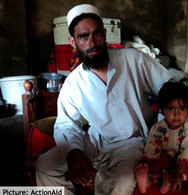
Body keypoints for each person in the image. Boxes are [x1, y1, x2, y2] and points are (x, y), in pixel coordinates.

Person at [35, 4, 174, 195]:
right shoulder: (74, 83)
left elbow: (170, 88)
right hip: (96, 142)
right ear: (73, 42)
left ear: (105, 33)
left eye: (96, 34)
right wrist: (74, 152)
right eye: (83, 37)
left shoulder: (132, 59)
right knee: (46, 165)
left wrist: (161, 129)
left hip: (133, 142)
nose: (92, 42)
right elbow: (67, 124)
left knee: (122, 180)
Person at [135, 82, 188, 194]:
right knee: (156, 164)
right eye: (171, 109)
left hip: (186, 163)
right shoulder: (157, 128)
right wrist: (151, 168)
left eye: (182, 109)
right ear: (162, 109)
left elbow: (187, 154)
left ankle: (169, 182)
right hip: (169, 159)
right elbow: (152, 151)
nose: (177, 115)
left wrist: (178, 174)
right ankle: (149, 179)